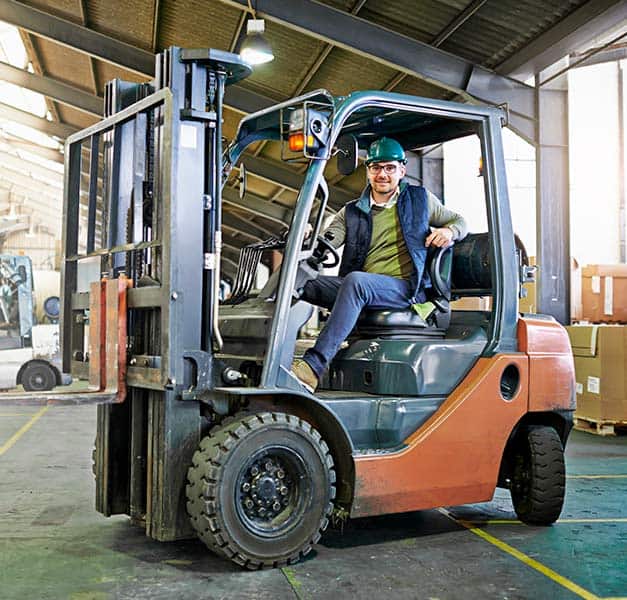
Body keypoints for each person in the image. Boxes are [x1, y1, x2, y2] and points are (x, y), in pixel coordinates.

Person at [291, 137, 468, 392]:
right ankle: (270, 356)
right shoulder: (351, 212)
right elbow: (326, 242)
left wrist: (450, 231)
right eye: (376, 167)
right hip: (364, 289)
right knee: (300, 282)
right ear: (368, 171)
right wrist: (306, 238)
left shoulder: (420, 200)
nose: (382, 174)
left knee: (356, 282)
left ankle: (313, 367)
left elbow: (460, 221)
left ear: (402, 171)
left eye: (389, 168)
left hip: (405, 289)